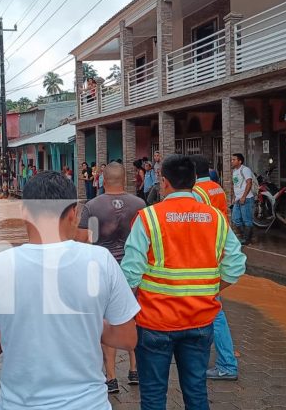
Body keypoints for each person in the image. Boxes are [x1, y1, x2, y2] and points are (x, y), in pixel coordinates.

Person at [0, 171, 140, 410]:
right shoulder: (100, 260)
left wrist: (14, 330)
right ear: (73, 214)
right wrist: (85, 323)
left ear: (23, 213)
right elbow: (127, 338)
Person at [122, 154, 247, 410]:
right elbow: (235, 267)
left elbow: (130, 274)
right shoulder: (215, 218)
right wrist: (211, 289)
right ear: (194, 182)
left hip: (155, 323)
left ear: (164, 182)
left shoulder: (148, 218)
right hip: (200, 321)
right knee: (196, 392)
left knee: (154, 396)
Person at [76, 163, 145, 393]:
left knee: (107, 322)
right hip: (133, 271)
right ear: (125, 179)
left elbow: (81, 240)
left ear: (103, 180)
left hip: (103, 271)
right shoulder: (140, 205)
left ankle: (112, 377)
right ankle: (135, 370)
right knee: (133, 318)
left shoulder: (92, 206)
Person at [189, 155, 238, 381]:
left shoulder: (196, 194)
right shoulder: (216, 187)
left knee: (214, 311)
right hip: (221, 248)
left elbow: (198, 225)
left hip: (208, 255)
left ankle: (227, 363)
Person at [230, 153, 255, 245]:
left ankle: (247, 239)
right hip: (237, 199)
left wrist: (244, 196)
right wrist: (234, 198)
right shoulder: (234, 171)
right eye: (231, 160)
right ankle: (244, 237)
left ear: (240, 161)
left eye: (234, 160)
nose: (232, 161)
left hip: (247, 198)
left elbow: (249, 183)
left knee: (247, 219)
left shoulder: (245, 169)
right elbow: (235, 185)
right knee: (235, 219)